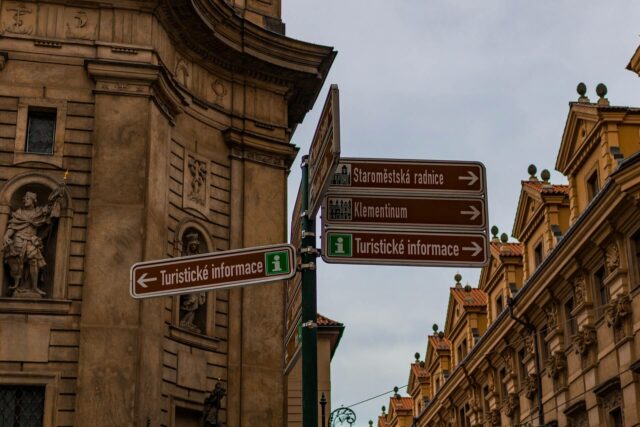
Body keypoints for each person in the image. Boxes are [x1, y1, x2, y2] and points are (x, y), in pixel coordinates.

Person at [2, 188, 63, 297]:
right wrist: (6, 236)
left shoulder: (38, 212)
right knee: (19, 262)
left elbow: (49, 209)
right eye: (24, 198)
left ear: (33, 200)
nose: (25, 200)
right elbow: (12, 226)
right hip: (18, 238)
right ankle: (18, 285)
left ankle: (34, 287)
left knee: (34, 261)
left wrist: (56, 197)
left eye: (27, 198)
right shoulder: (18, 213)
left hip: (32, 240)